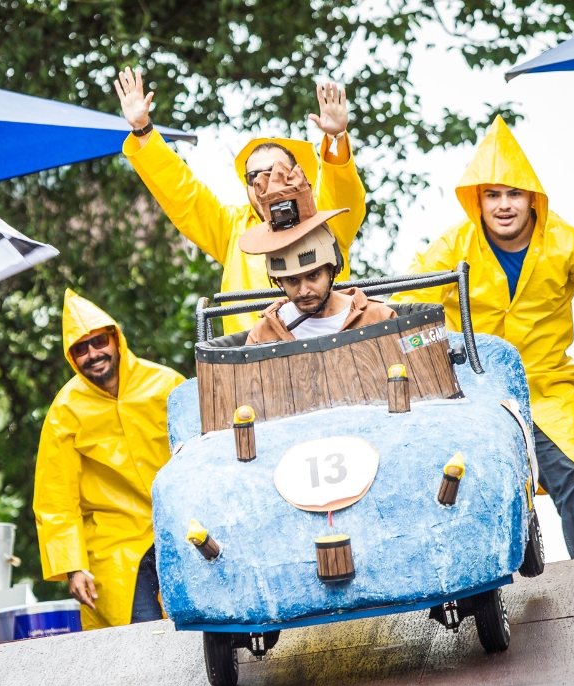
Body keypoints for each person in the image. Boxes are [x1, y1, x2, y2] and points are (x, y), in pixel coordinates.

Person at [395, 117, 574, 559]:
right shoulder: (453, 246)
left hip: (547, 388)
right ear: (478, 200)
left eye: (514, 193)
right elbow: (405, 309)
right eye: (492, 194)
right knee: (462, 490)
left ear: (533, 198)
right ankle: (474, 596)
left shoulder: (571, 243)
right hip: (470, 393)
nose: (504, 204)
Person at [114, 67, 366, 333]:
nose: (264, 182)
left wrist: (336, 137)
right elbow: (183, 195)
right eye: (254, 176)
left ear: (298, 176)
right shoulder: (232, 228)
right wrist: (143, 130)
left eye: (275, 171)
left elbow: (344, 191)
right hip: (253, 365)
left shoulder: (326, 220)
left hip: (330, 356)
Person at [34, 289, 185, 629]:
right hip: (117, 544)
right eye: (80, 348)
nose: (93, 354)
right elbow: (56, 500)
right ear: (71, 357)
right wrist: (73, 566)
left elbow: (203, 454)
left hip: (182, 526)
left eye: (99, 341)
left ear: (116, 339)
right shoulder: (64, 411)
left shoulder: (166, 384)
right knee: (143, 635)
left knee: (203, 626)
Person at [237, 161, 397, 344]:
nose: (304, 291)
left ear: (333, 267)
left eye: (313, 275)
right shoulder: (263, 335)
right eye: (292, 280)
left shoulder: (378, 318)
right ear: (277, 279)